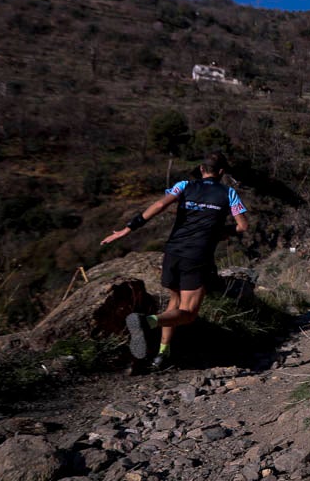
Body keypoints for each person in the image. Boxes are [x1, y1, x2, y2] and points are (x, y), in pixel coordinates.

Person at [101, 152, 249, 370]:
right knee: (188, 314)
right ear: (221, 173)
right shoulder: (229, 194)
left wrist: (127, 229)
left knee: (174, 300)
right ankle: (147, 322)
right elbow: (243, 226)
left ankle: (162, 353)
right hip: (197, 256)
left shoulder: (184, 186)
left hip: (173, 252)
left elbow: (160, 205)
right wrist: (221, 231)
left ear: (201, 169)